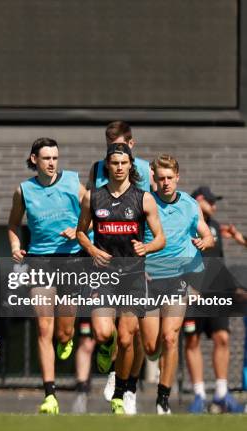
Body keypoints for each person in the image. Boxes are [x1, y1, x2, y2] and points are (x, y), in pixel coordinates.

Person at [76, 142, 165, 414]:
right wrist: (91, 248)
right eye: (114, 163)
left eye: (124, 163)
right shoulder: (93, 197)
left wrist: (146, 247)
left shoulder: (144, 198)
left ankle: (120, 392)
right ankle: (107, 346)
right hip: (104, 274)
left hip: (133, 276)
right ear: (108, 166)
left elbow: (161, 238)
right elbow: (81, 232)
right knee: (103, 332)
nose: (119, 167)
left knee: (129, 340)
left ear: (130, 166)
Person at [7, 137, 86, 414]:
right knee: (44, 328)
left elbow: (92, 215)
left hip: (72, 260)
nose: (52, 163)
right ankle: (49, 395)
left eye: (55, 158)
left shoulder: (73, 183)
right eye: (46, 158)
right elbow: (14, 224)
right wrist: (16, 246)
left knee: (63, 331)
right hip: (40, 260)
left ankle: (68, 338)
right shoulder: (24, 191)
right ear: (34, 160)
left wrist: (77, 230)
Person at [139, 155, 214, 414]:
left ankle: (163, 399)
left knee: (170, 338)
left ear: (177, 177)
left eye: (170, 178)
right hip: (149, 279)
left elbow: (206, 233)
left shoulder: (191, 205)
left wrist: (206, 242)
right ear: (155, 179)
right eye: (161, 178)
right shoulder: (146, 203)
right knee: (151, 347)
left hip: (178, 279)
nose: (166, 183)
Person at [88, 121, 152, 413]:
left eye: (121, 147)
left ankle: (129, 386)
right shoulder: (98, 169)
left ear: (131, 146)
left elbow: (150, 217)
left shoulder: (144, 174)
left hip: (138, 260)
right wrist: (92, 248)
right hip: (106, 261)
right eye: (108, 144)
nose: (115, 156)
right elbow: (93, 215)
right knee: (109, 331)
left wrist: (147, 255)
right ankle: (117, 371)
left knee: (137, 336)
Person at [183, 186, 245, 413]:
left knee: (222, 338)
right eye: (211, 201)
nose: (215, 206)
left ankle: (221, 394)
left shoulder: (216, 226)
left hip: (216, 295)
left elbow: (218, 261)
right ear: (199, 201)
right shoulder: (186, 223)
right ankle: (199, 395)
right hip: (191, 293)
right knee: (192, 341)